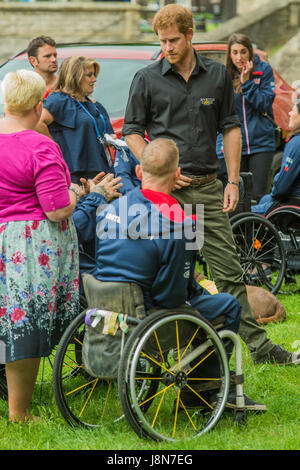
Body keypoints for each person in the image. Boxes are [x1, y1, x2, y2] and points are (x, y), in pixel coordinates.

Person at [122, 4, 300, 366]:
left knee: (229, 272)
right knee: (169, 276)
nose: (167, 47)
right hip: (164, 195)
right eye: (162, 41)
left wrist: (232, 181)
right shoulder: (146, 78)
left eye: (173, 40)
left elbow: (230, 127)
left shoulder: (217, 76)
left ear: (190, 35)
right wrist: (158, 167)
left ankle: (262, 349)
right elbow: (130, 132)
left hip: (207, 189)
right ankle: (163, 352)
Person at [78, 137, 266, 410]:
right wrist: (193, 292)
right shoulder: (179, 221)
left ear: (139, 172)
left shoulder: (111, 207)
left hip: (107, 310)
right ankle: (201, 391)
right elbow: (173, 294)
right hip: (148, 318)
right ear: (177, 175)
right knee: (228, 305)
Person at [0, 69, 82, 423]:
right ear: (38, 105)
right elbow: (55, 207)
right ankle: (19, 412)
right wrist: (78, 192)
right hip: (29, 245)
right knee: (25, 323)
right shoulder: (39, 145)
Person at [36, 55, 116, 184]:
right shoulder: (59, 100)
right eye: (89, 75)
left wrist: (111, 140)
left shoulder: (95, 105)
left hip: (103, 172)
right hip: (76, 177)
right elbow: (37, 122)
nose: (94, 79)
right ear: (75, 77)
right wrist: (54, 148)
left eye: (94, 75)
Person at [216, 33, 276, 203]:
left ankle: (257, 229)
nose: (239, 57)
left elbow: (264, 104)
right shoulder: (224, 75)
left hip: (261, 144)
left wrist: (247, 82)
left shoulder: (263, 70)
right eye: (234, 52)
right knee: (237, 197)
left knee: (257, 196)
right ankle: (239, 230)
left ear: (249, 52)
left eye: (243, 52)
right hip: (235, 146)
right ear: (229, 54)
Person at [252, 100, 300, 215]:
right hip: (293, 200)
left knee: (243, 213)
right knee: (264, 199)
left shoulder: (297, 143)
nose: (289, 113)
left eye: (293, 110)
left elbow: (282, 187)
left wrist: (275, 192)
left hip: (293, 204)